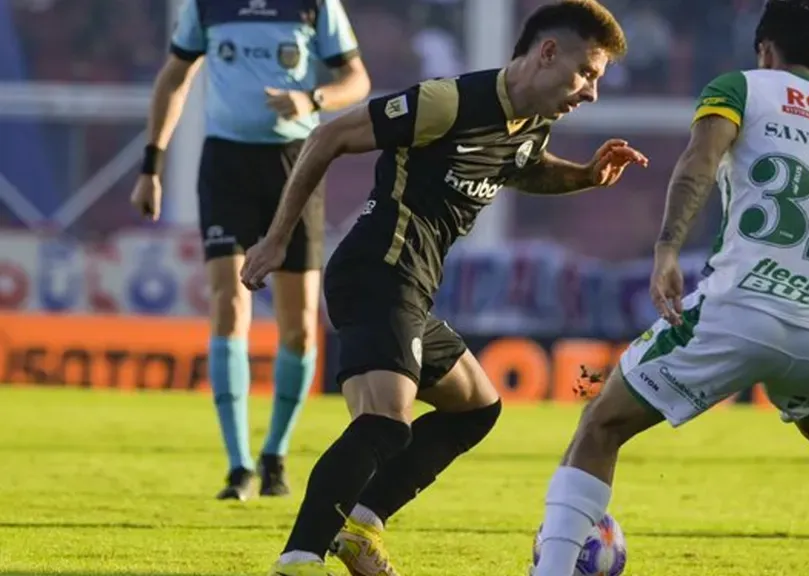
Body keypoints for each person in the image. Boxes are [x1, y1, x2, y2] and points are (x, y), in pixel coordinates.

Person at [239, 2, 648, 575]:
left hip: (409, 286)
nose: (591, 93)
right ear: (547, 52)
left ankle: (362, 524)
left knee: (476, 407)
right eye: (587, 73)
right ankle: (300, 557)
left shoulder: (532, 123)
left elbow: (522, 165)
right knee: (385, 424)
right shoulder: (448, 101)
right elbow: (330, 135)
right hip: (378, 269)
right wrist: (276, 240)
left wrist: (583, 176)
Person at [530, 1, 809, 576]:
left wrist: (667, 249)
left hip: (742, 304)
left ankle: (553, 569)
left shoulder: (742, 88)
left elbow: (699, 162)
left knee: (601, 423)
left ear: (765, 51)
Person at [129, 0, 371, 500]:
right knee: (228, 301)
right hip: (226, 165)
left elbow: (357, 78)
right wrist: (151, 164)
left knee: (300, 326)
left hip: (295, 164)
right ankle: (238, 464)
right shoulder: (208, 5)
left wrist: (313, 98)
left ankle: (274, 454)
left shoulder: (316, 5)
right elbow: (174, 76)